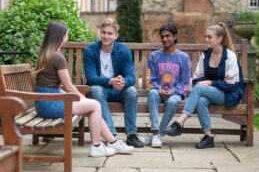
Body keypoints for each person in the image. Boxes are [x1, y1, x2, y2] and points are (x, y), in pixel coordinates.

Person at [34, 21, 134, 157]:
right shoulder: (58, 57)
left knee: (91, 108)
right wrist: (82, 98)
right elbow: (68, 87)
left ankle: (112, 141)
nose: (67, 38)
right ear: (60, 36)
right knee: (95, 105)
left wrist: (80, 99)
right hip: (50, 104)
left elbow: (52, 86)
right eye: (66, 35)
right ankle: (97, 146)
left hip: (45, 102)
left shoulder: (45, 53)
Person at [164, 22, 244, 149]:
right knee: (201, 100)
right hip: (210, 93)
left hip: (229, 94)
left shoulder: (229, 56)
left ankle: (179, 123)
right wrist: (206, 84)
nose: (206, 39)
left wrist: (211, 83)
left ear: (219, 39)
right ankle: (208, 137)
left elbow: (231, 85)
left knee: (199, 89)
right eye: (206, 36)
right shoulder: (206, 55)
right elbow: (196, 78)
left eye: (209, 37)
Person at [83, 18, 144, 148]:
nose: (106, 36)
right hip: (98, 92)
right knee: (96, 89)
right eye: (103, 32)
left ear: (116, 35)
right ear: (100, 33)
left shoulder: (124, 51)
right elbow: (91, 78)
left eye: (110, 33)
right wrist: (110, 81)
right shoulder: (90, 51)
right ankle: (110, 135)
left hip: (117, 90)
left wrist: (123, 82)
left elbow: (131, 78)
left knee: (131, 91)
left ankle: (131, 134)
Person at [139, 24, 191, 148]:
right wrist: (159, 89)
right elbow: (149, 80)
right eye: (162, 37)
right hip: (158, 91)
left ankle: (157, 134)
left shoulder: (183, 58)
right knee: (152, 93)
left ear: (175, 37)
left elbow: (185, 83)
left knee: (173, 102)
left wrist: (173, 91)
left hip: (175, 94)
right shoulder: (154, 56)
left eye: (168, 36)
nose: (164, 39)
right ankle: (156, 132)